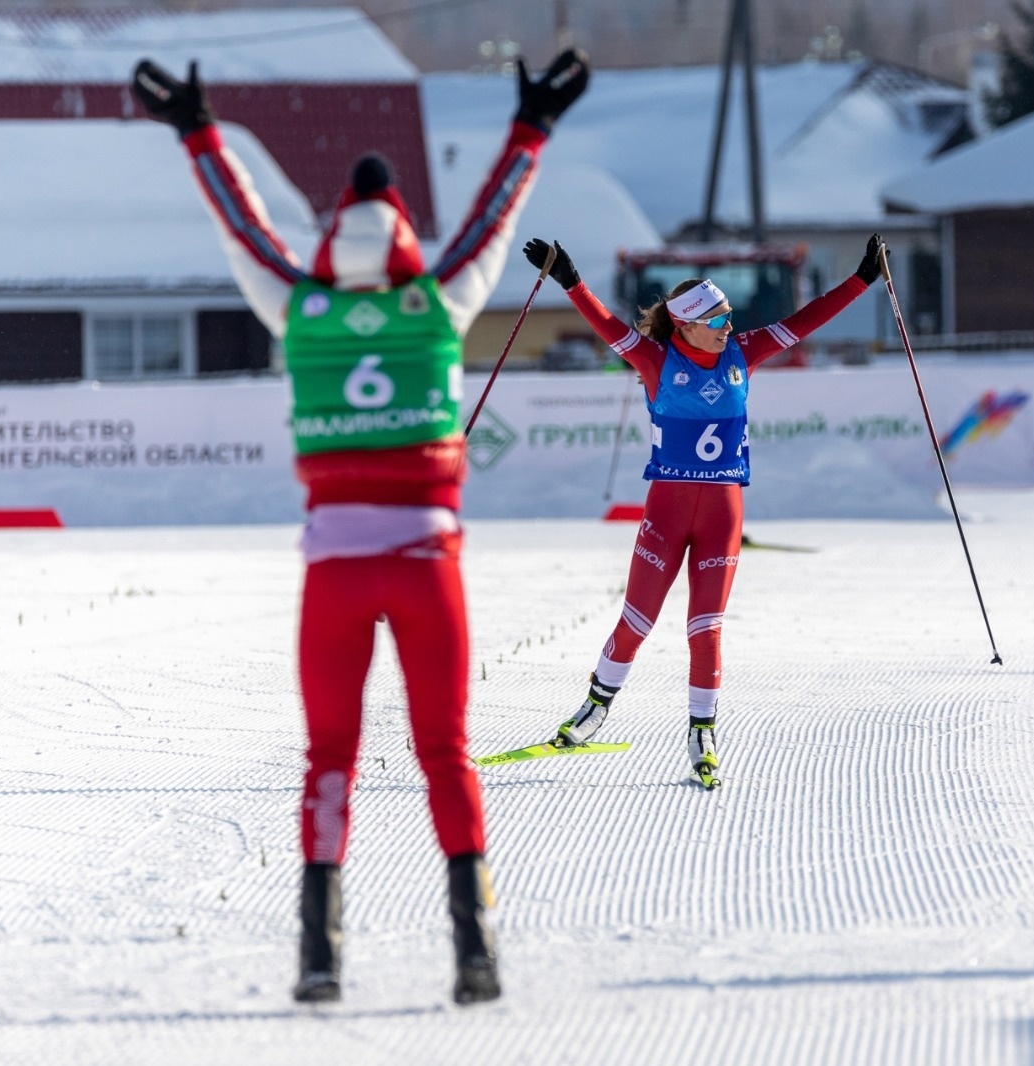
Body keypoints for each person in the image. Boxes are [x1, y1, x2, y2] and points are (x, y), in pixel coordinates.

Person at [132, 49, 589, 1006]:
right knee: (446, 753)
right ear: (406, 243)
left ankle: (319, 955)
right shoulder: (440, 304)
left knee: (329, 758)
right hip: (427, 563)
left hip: (334, 570)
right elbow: (491, 225)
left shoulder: (298, 307)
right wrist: (531, 129)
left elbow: (244, 233)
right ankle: (475, 952)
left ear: (335, 237)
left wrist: (199, 134)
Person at [520, 234, 884, 787]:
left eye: (728, 315)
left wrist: (862, 279)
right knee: (636, 621)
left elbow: (807, 319)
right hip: (665, 511)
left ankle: (702, 733)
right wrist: (568, 278)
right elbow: (607, 325)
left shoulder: (745, 353)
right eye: (716, 319)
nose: (728, 326)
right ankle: (594, 709)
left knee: (705, 625)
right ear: (686, 324)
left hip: (722, 514)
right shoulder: (654, 359)